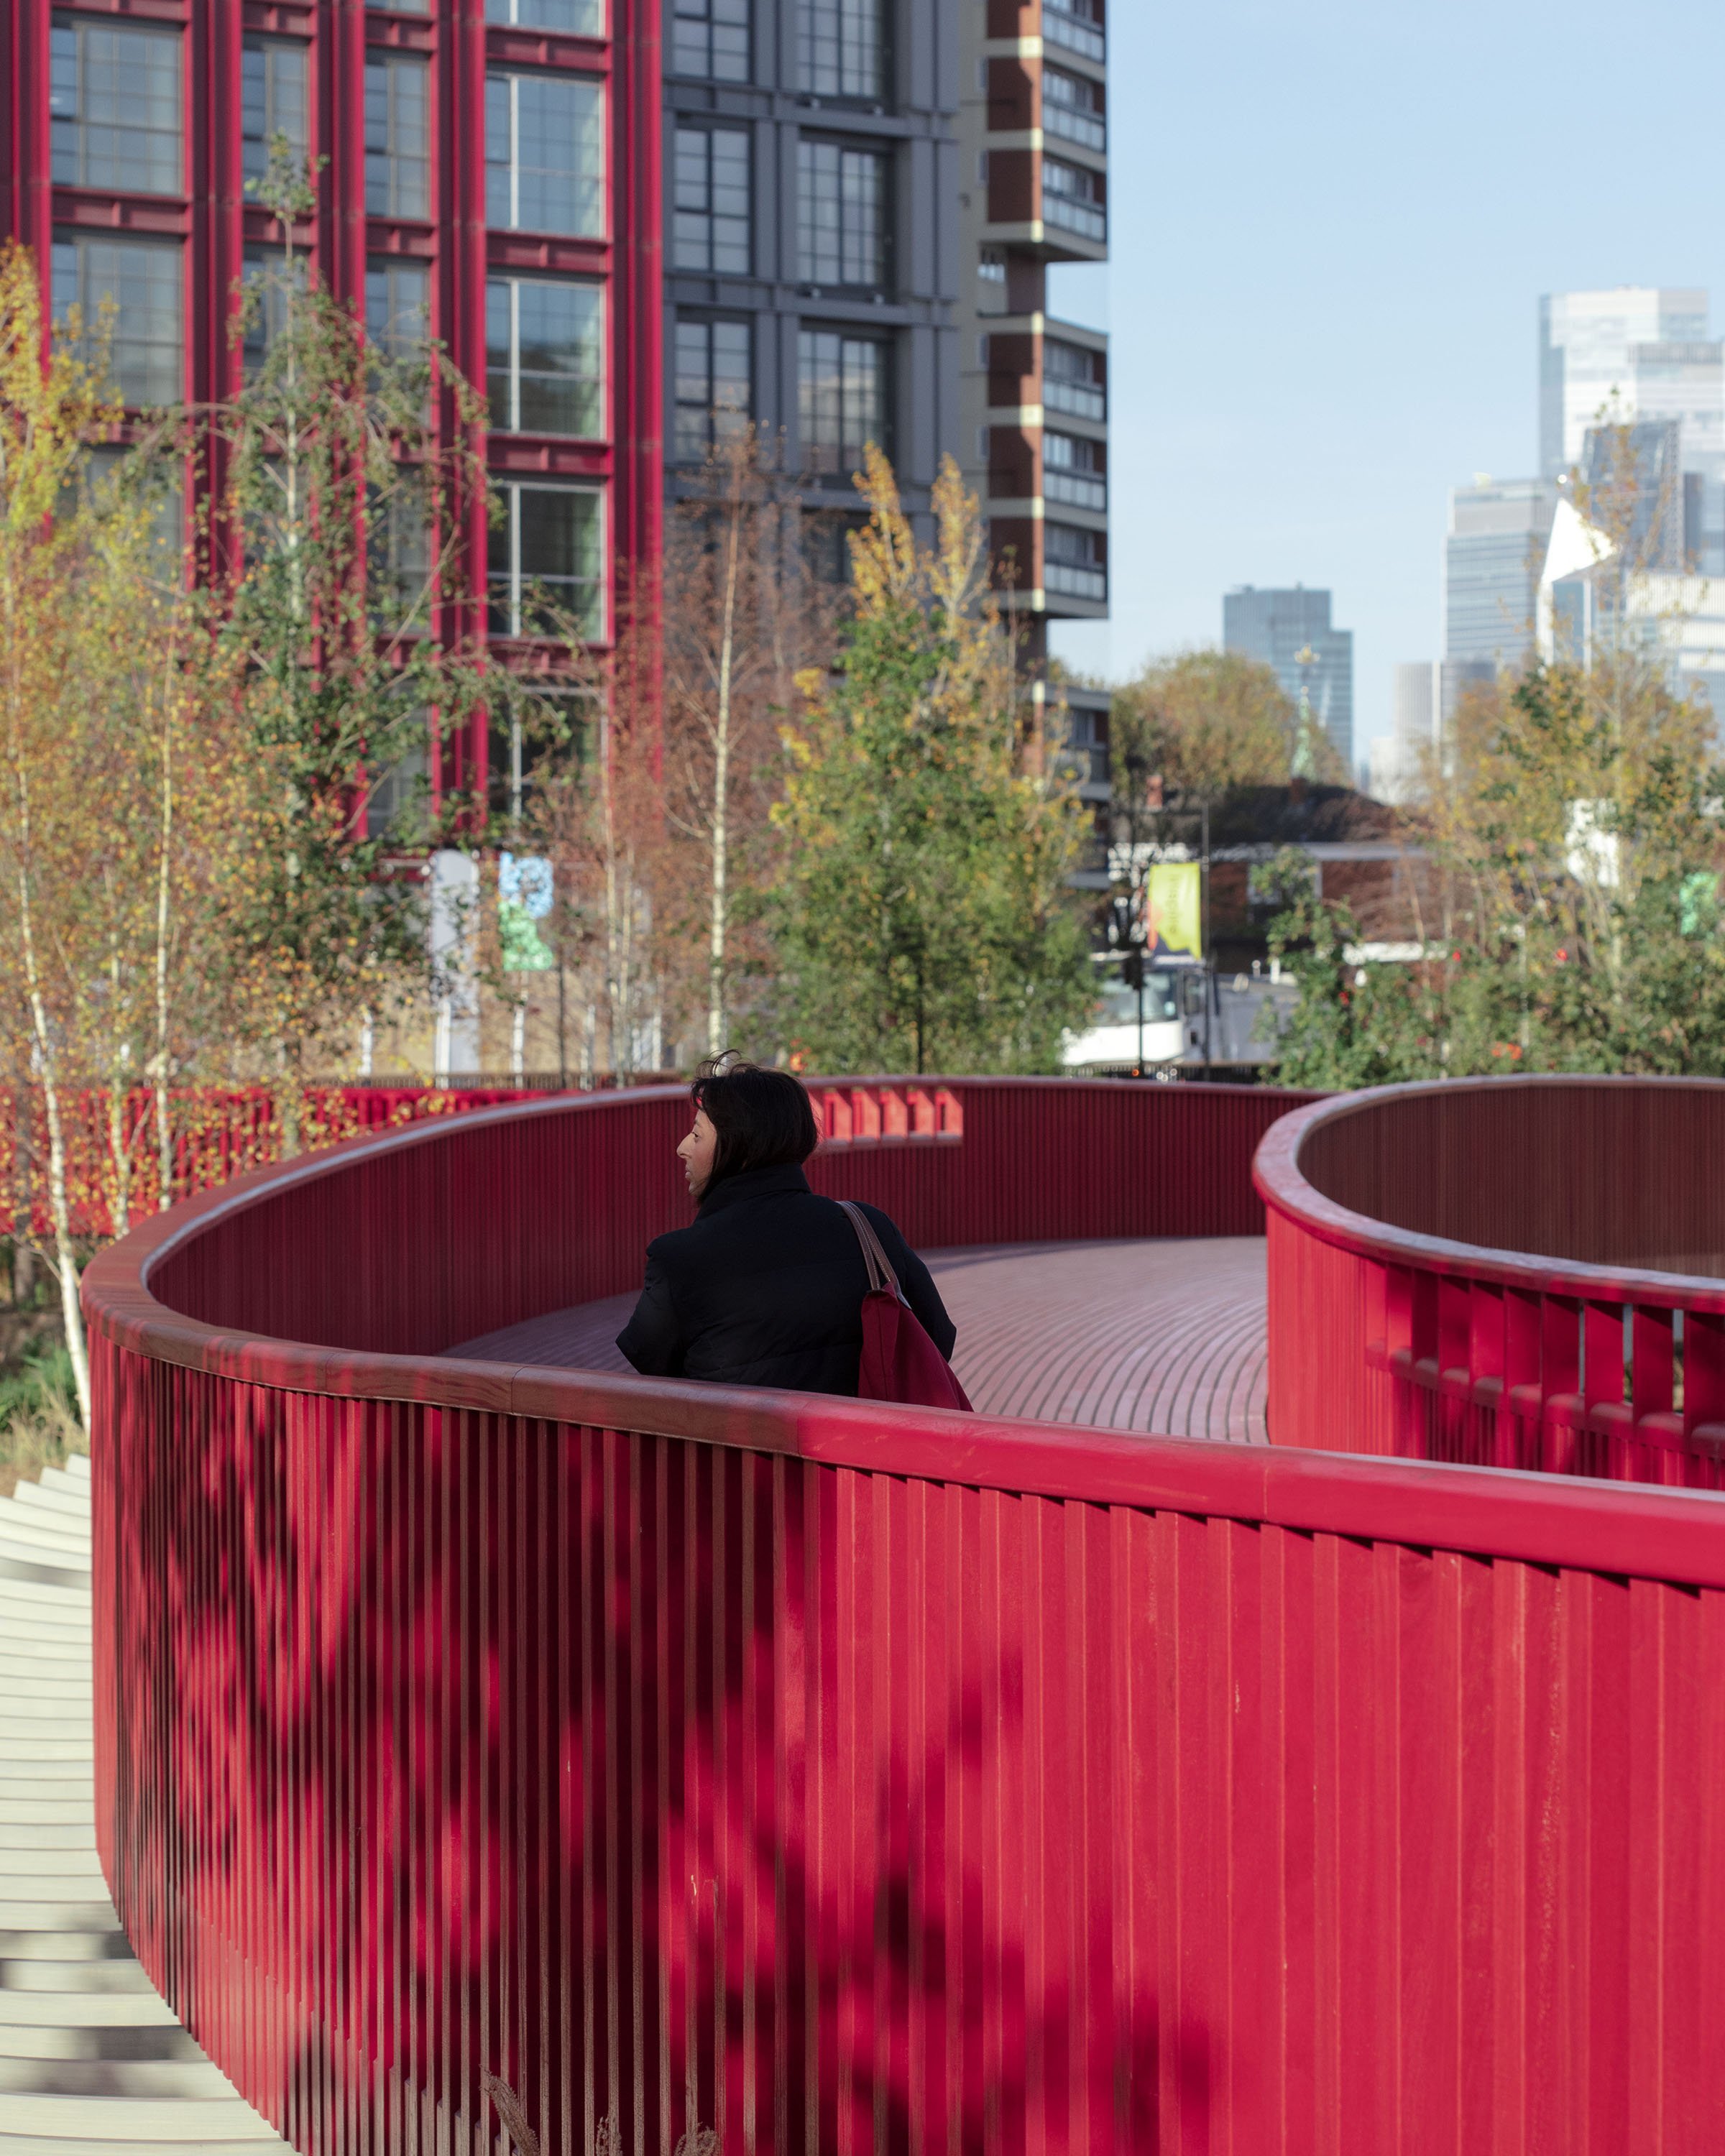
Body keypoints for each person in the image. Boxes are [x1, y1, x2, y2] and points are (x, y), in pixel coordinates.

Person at [616, 1057, 957, 1396]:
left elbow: (654, 1367)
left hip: (743, 1434)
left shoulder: (678, 1258)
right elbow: (937, 1338)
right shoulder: (868, 1229)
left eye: (696, 1135)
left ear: (739, 1147)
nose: (682, 1148)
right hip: (864, 1433)